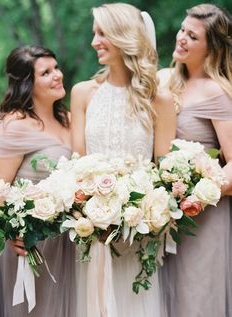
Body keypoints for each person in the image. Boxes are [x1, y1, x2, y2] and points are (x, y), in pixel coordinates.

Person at [70, 3, 176, 317]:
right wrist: (89, 212)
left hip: (138, 233)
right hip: (91, 232)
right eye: (93, 33)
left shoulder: (159, 99)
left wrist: (138, 215)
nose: (94, 42)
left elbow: (164, 173)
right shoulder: (82, 93)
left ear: (123, 36)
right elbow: (75, 165)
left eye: (102, 33)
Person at [158, 4, 232, 317]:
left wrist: (198, 195)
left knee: (197, 299)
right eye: (182, 30)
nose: (182, 39)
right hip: (162, 216)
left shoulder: (216, 92)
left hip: (204, 217)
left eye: (193, 36)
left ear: (211, 47)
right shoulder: (164, 82)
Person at [0, 45, 76, 317]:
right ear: (27, 83)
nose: (58, 75)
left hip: (71, 240)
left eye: (56, 68)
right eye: (46, 72)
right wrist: (10, 234)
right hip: (31, 244)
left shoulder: (69, 119)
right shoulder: (13, 125)